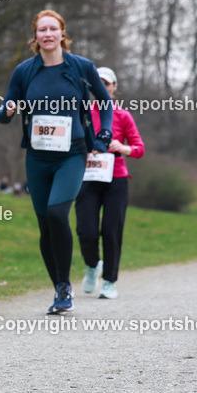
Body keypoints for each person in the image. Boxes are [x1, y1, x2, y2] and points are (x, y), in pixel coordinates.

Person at [0, 10, 113, 314]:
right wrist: (6, 110)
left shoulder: (81, 67)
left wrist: (103, 135)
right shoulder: (24, 71)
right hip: (38, 157)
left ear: (63, 33)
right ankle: (60, 288)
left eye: (53, 29)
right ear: (35, 37)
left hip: (72, 155)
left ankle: (65, 286)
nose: (47, 34)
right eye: (41, 30)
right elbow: (4, 109)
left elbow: (106, 102)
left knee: (56, 212)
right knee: (45, 225)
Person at [74, 67, 145, 300]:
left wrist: (122, 147)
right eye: (98, 83)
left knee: (112, 231)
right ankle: (93, 265)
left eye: (107, 83)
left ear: (114, 87)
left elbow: (139, 148)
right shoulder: (82, 113)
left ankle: (110, 281)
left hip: (117, 178)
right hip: (88, 176)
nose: (102, 87)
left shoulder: (123, 115)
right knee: (86, 230)